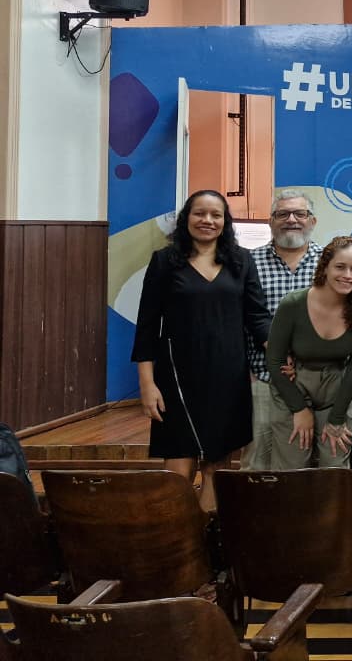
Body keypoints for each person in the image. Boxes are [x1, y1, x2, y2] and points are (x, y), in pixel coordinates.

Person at [132, 190, 271, 510]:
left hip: (228, 375)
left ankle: (207, 534)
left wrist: (283, 352)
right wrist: (147, 384)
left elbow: (258, 318)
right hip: (177, 377)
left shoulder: (241, 260)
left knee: (216, 466)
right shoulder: (164, 261)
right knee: (178, 467)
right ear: (186, 218)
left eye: (216, 215)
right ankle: (176, 536)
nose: (207, 220)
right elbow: (147, 327)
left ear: (225, 221)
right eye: (200, 213)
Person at [266, 236, 352, 469]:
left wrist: (337, 419)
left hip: (338, 389)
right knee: (293, 468)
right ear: (325, 267)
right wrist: (299, 409)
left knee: (334, 466)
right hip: (294, 386)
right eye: (340, 267)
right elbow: (275, 359)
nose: (347, 275)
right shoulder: (293, 304)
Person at [243, 190, 322, 471]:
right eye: (282, 214)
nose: (291, 220)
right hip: (263, 380)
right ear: (270, 221)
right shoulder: (247, 263)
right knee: (257, 465)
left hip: (317, 382)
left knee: (313, 468)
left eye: (300, 214)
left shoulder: (329, 263)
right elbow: (242, 319)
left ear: (312, 221)